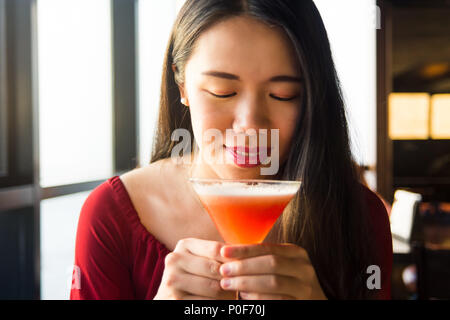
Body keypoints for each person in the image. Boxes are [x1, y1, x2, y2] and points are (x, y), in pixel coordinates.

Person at [70, 0, 392, 300]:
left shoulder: (360, 217)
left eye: (283, 94)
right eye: (221, 92)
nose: (250, 126)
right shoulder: (111, 214)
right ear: (182, 87)